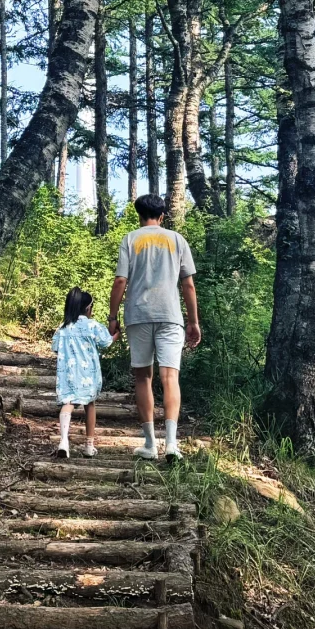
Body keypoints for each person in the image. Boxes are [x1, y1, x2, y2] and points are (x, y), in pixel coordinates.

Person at [109, 193, 201, 460]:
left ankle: (150, 445)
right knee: (170, 377)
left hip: (138, 315)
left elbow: (120, 281)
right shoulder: (177, 240)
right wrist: (193, 321)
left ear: (139, 215)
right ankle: (171, 444)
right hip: (170, 316)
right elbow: (188, 285)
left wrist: (112, 317)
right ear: (162, 216)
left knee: (143, 377)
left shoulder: (130, 239)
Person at [51, 287, 114, 458]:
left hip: (68, 373)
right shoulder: (92, 325)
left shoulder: (63, 327)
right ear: (88, 308)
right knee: (90, 404)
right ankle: (89, 445)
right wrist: (116, 334)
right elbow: (106, 342)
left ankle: (63, 441)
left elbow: (55, 348)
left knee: (68, 403)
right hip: (88, 374)